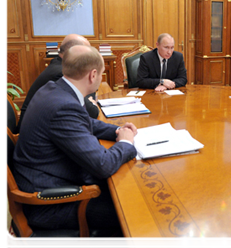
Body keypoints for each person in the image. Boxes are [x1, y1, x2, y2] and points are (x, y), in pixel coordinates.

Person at [13, 45, 138, 231]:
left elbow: (85, 122)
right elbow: (103, 165)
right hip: (51, 203)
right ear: (92, 75)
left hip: (46, 177)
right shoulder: (64, 106)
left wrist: (117, 131)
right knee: (132, 207)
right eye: (102, 74)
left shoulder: (55, 89)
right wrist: (126, 142)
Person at [17, 34, 99, 132]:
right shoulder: (62, 73)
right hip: (36, 132)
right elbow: (91, 112)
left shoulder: (58, 64)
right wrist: (92, 103)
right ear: (74, 52)